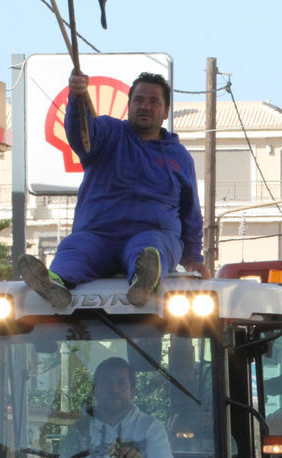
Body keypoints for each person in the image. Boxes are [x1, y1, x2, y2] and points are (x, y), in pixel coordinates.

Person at [19, 71, 205, 309]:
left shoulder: (181, 157)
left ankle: (144, 281)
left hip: (152, 234)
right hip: (98, 235)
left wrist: (193, 259)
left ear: (166, 111)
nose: (145, 106)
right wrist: (77, 99)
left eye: (154, 101)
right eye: (138, 100)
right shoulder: (107, 132)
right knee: (74, 248)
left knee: (150, 250)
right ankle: (54, 283)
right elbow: (80, 134)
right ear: (129, 105)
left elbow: (191, 215)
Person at [54, 357, 176, 458]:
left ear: (133, 391)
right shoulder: (80, 429)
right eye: (107, 382)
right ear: (96, 391)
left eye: (121, 382)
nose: (114, 389)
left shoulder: (150, 427)